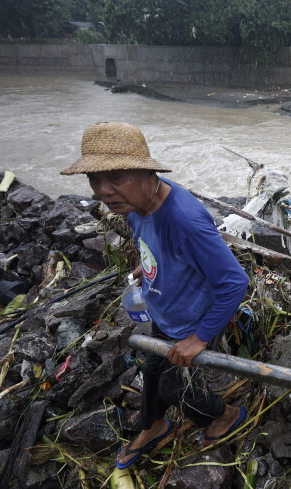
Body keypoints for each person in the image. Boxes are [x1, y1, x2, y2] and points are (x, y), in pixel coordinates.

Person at [61, 122, 250, 469]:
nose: (102, 190)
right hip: (166, 310)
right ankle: (154, 425)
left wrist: (200, 338)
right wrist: (147, 265)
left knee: (174, 387)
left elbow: (234, 282)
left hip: (194, 319)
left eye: (116, 177)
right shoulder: (135, 204)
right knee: (151, 371)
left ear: (149, 174)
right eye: (94, 179)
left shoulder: (185, 220)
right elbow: (150, 240)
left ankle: (227, 415)